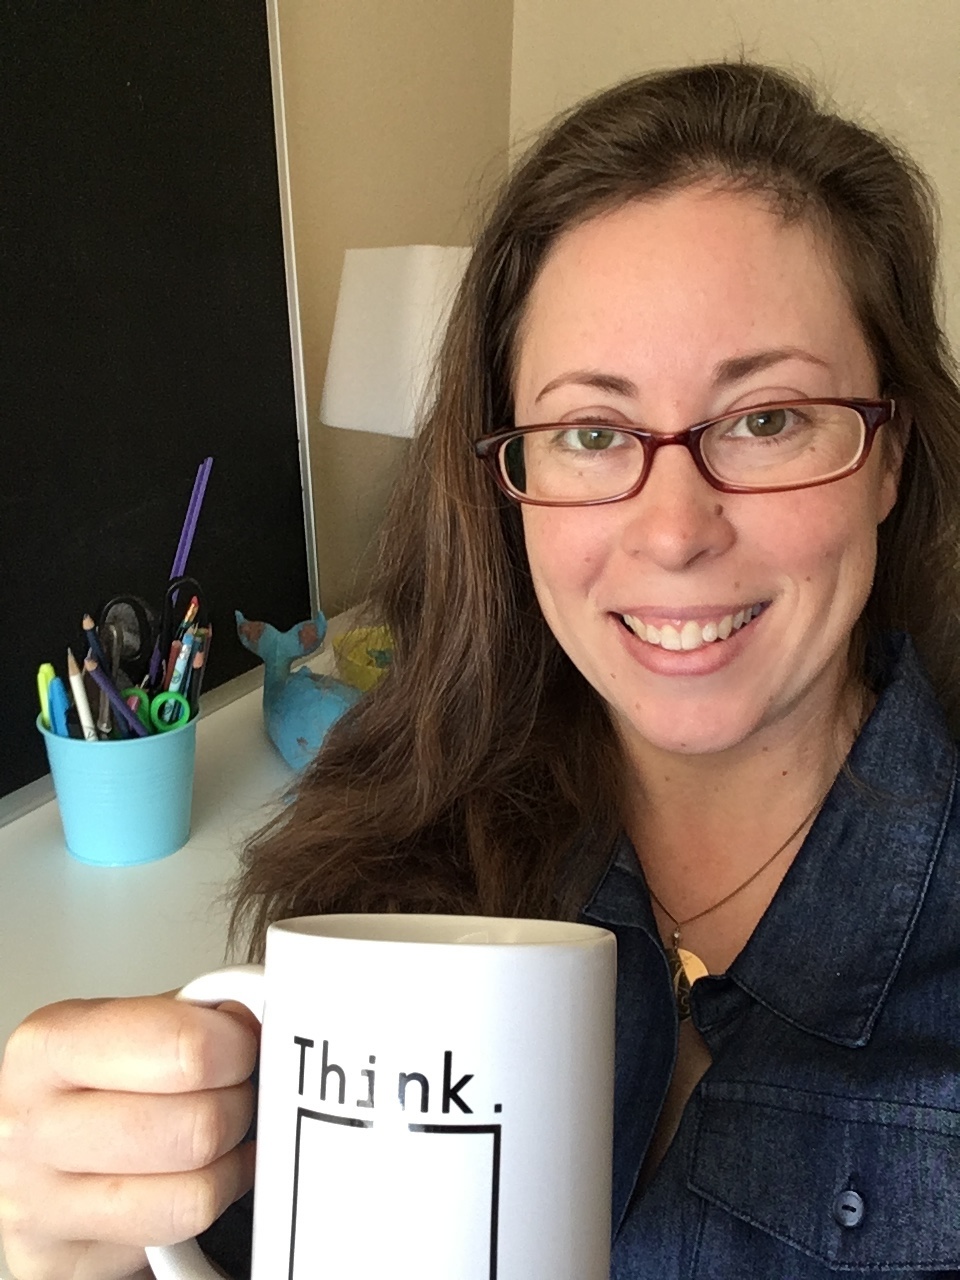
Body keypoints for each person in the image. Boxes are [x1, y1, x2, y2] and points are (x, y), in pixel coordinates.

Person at [3, 59, 960, 1279]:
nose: (673, 529)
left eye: (766, 418)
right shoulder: (391, 836)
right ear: (506, 484)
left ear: (889, 456)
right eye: (592, 433)